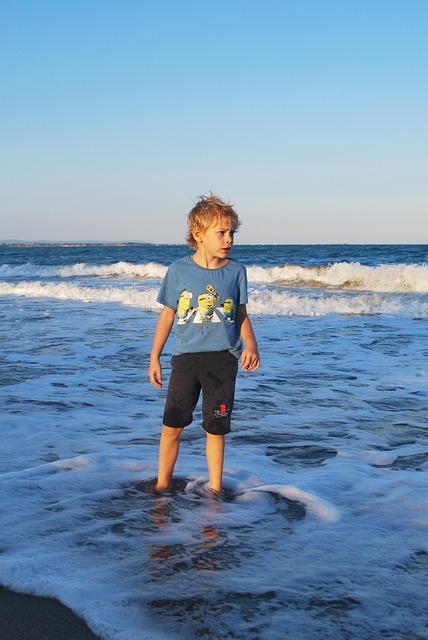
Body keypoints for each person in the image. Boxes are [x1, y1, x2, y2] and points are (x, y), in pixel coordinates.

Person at [148, 194, 260, 494]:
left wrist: (251, 345)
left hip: (223, 361)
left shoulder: (236, 272)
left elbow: (241, 314)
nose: (229, 239)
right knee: (172, 427)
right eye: (221, 233)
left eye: (231, 233)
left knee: (216, 429)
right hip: (186, 359)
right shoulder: (178, 271)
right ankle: (161, 486)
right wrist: (154, 357)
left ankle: (214, 490)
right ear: (198, 234)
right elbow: (167, 315)